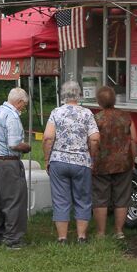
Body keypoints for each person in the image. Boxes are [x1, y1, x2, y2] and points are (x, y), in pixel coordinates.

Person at [43, 80, 100, 244]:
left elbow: (48, 137)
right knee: (83, 199)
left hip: (59, 161)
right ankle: (81, 236)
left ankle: (62, 238)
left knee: (60, 199)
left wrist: (47, 159)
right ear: (79, 95)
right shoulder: (87, 113)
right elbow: (95, 139)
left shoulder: (56, 112)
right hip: (81, 162)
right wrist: (91, 157)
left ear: (63, 95)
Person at [0, 88, 32, 250]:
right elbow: (14, 144)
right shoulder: (12, 116)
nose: (23, 108)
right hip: (8, 162)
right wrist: (27, 147)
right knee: (14, 200)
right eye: (24, 105)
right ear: (19, 102)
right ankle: (12, 239)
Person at [92, 86, 137, 239]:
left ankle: (101, 233)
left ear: (99, 102)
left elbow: (93, 140)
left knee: (100, 198)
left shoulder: (96, 119)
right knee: (122, 198)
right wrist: (132, 159)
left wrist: (92, 158)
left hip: (101, 164)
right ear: (114, 100)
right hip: (123, 163)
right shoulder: (126, 117)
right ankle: (119, 231)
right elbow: (134, 139)